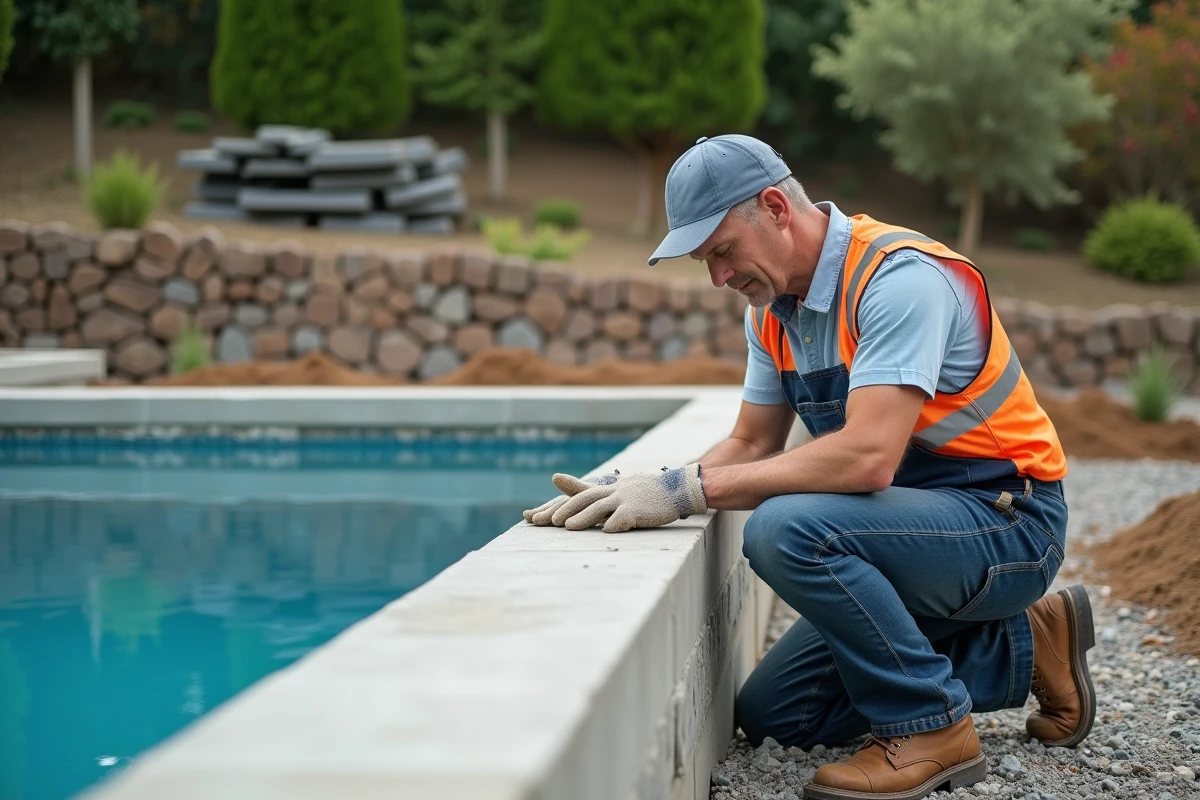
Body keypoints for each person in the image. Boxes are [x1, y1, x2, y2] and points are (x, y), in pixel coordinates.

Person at [522, 134, 1095, 800]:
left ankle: (931, 726)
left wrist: (688, 493)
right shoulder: (772, 315)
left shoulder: (898, 279)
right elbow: (751, 441)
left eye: (723, 251)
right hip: (910, 531)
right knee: (780, 716)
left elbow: (869, 457)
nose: (718, 278)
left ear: (775, 207)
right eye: (705, 261)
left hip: (1008, 524)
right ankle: (1029, 644)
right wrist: (649, 486)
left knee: (786, 528)